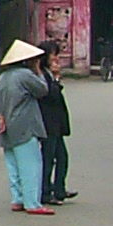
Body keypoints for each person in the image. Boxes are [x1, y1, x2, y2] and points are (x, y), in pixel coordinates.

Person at [0, 39, 53, 216]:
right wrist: (39, 71)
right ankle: (32, 203)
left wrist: (0, 115)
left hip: (6, 127)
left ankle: (17, 199)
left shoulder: (3, 78)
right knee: (31, 165)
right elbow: (43, 90)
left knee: (13, 166)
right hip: (25, 126)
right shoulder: (26, 76)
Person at [38, 40, 77, 206]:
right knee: (48, 158)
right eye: (54, 55)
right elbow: (51, 95)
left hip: (56, 123)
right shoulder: (42, 76)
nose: (56, 60)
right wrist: (56, 78)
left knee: (62, 157)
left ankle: (59, 189)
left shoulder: (47, 74)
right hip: (48, 123)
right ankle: (45, 192)